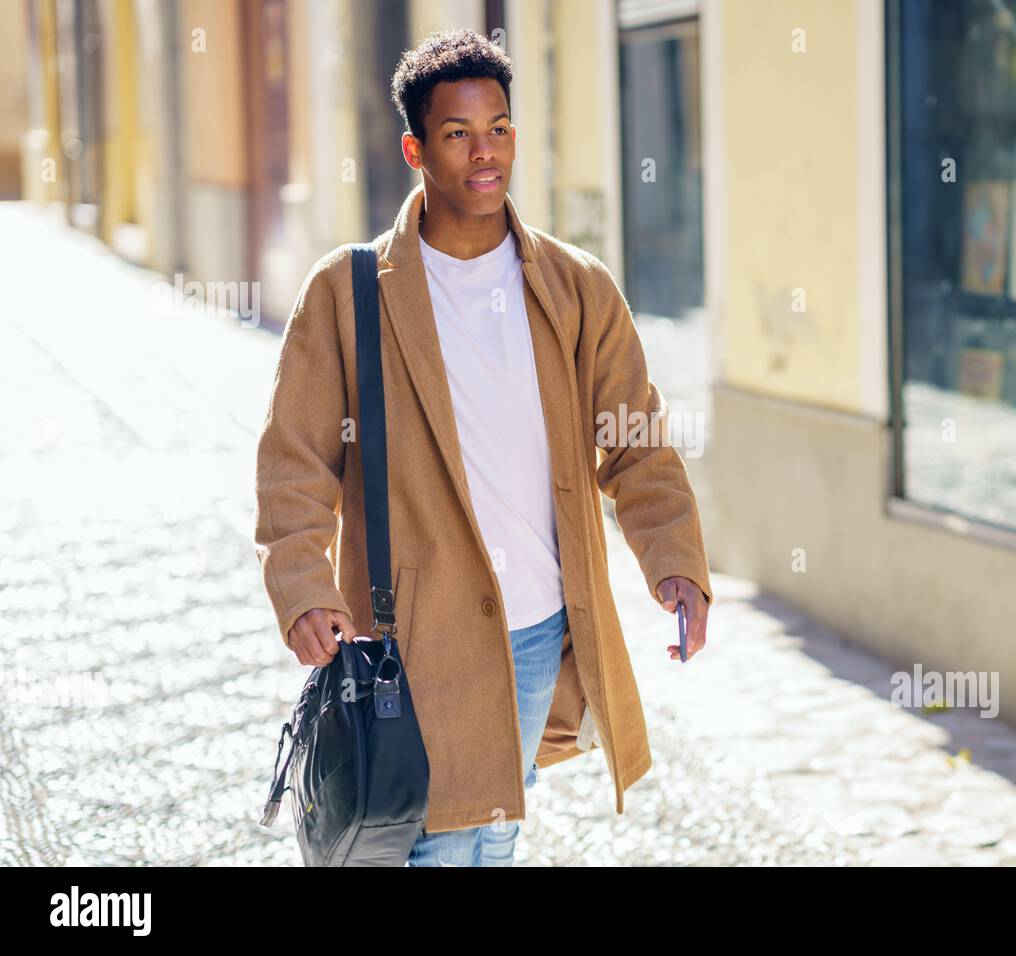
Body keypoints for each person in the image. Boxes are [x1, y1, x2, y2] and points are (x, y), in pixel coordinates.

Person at [255, 28, 712, 868]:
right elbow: (295, 459)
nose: (485, 152)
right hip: (409, 631)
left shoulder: (575, 286)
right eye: (459, 133)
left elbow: (634, 441)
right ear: (416, 148)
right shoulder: (348, 291)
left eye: (499, 127)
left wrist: (673, 559)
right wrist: (303, 587)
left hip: (538, 621)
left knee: (488, 829)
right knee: (439, 842)